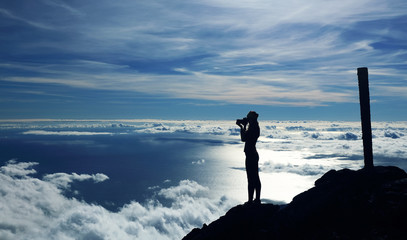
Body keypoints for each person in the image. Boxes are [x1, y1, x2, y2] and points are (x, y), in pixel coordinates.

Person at [236, 111, 261, 205]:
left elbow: (244, 138)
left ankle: (252, 200)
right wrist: (245, 126)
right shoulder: (254, 127)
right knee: (254, 177)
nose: (246, 119)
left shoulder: (254, 128)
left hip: (251, 155)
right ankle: (255, 199)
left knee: (252, 178)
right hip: (252, 154)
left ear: (252, 118)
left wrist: (242, 127)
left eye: (248, 117)